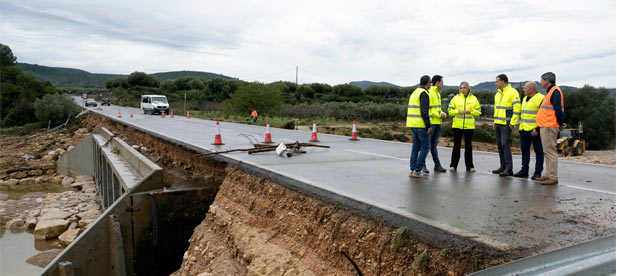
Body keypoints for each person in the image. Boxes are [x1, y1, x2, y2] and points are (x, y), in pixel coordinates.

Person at [536, 72, 565, 185]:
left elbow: (558, 110)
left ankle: (553, 176)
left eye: (541, 80)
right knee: (547, 151)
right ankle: (548, 174)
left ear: (547, 81)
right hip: (546, 125)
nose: (540, 82)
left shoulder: (555, 92)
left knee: (550, 151)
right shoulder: (550, 92)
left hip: (549, 126)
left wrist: (560, 123)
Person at [491, 74, 521, 177]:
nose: (496, 83)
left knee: (505, 145)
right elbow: (496, 110)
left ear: (503, 81)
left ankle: (509, 169)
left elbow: (517, 109)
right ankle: (502, 167)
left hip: (506, 125)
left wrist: (512, 123)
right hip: (498, 124)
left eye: (497, 81)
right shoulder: (497, 94)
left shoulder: (513, 92)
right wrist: (495, 122)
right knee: (499, 146)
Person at [448, 81, 481, 172]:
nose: (462, 89)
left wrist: (471, 112)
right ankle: (453, 165)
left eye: (464, 88)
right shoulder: (455, 98)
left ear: (468, 89)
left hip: (469, 126)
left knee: (468, 146)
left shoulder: (474, 99)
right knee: (456, 146)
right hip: (457, 125)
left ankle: (470, 166)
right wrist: (459, 112)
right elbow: (450, 110)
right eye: (461, 88)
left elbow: (478, 111)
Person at [514, 81, 544, 180]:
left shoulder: (541, 98)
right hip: (524, 129)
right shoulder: (524, 99)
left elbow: (543, 115)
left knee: (538, 151)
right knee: (524, 150)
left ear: (531, 89)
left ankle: (538, 172)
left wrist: (538, 128)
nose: (523, 90)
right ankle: (524, 170)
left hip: (534, 130)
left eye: (525, 88)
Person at [407, 75, 432, 178]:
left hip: (412, 123)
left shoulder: (415, 92)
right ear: (427, 83)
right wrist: (428, 125)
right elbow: (424, 111)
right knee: (425, 147)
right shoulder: (424, 93)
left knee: (415, 148)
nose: (431, 84)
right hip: (420, 124)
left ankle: (412, 170)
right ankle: (417, 171)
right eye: (430, 82)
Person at [422, 75, 448, 173]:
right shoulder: (430, 93)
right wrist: (439, 115)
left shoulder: (438, 94)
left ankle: (437, 165)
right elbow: (429, 109)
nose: (443, 84)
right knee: (426, 145)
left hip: (438, 123)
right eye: (442, 82)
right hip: (431, 123)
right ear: (437, 82)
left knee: (433, 146)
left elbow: (437, 108)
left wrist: (443, 113)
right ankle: (422, 165)